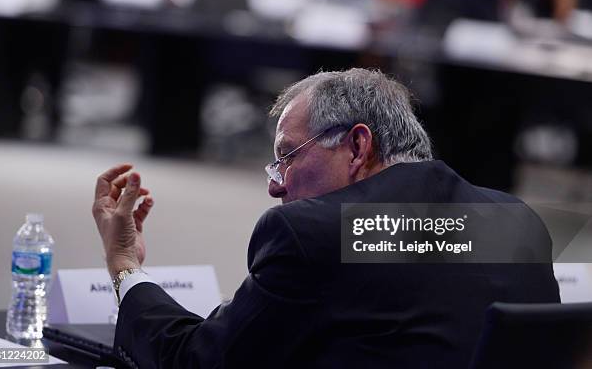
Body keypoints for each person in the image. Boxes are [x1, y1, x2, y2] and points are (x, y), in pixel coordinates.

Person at [92, 68, 560, 369]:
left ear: (358, 147)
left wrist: (124, 264)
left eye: (287, 157)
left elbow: (196, 363)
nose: (276, 185)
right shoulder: (515, 222)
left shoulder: (316, 235)